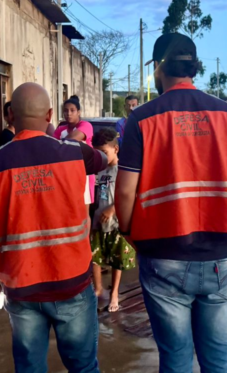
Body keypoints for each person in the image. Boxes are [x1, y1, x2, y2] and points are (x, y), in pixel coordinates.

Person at [115, 33, 227, 373]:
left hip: (163, 255)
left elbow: (124, 193)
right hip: (220, 256)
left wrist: (127, 230)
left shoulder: (142, 119)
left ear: (157, 67)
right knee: (218, 359)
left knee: (176, 360)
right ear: (193, 67)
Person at [0, 83, 108, 373]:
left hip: (20, 287)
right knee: (83, 367)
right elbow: (104, 160)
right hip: (71, 281)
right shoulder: (74, 152)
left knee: (30, 368)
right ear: (49, 115)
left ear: (11, 117)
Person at [90, 127, 136, 313]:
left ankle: (115, 292)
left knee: (118, 260)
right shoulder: (98, 172)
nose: (100, 157)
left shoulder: (123, 171)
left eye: (104, 153)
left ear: (115, 149)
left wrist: (113, 208)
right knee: (94, 257)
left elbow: (131, 194)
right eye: (97, 153)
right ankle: (98, 289)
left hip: (117, 223)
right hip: (98, 222)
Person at [55, 97, 96, 205]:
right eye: (65, 110)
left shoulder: (86, 125)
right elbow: (52, 147)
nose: (68, 113)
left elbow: (71, 139)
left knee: (84, 209)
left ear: (79, 112)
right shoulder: (60, 129)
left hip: (85, 173)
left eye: (72, 110)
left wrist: (60, 145)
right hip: (67, 174)